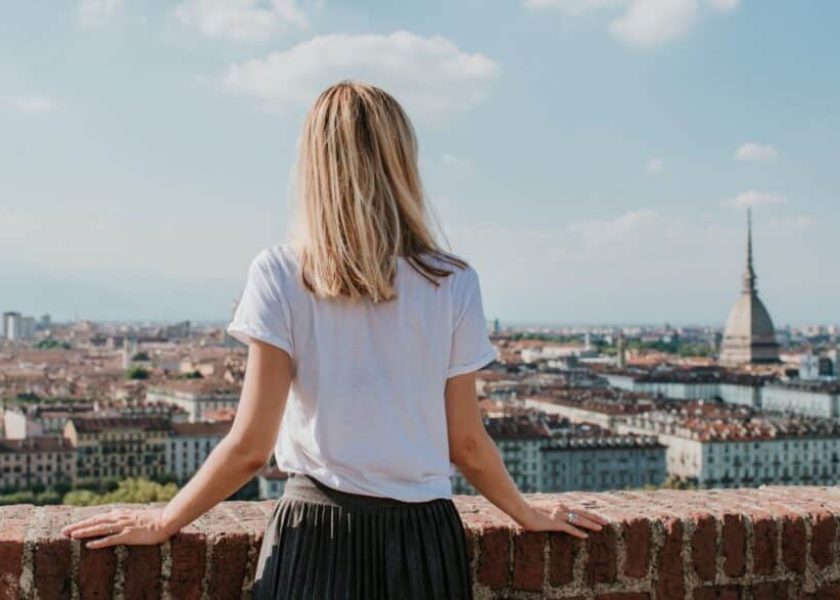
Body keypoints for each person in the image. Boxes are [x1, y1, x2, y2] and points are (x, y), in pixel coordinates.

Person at [60, 81, 607, 599]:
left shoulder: (280, 272)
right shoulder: (452, 280)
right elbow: (466, 443)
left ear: (315, 168)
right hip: (422, 540)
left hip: (313, 532)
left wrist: (164, 519)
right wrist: (525, 512)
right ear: (403, 162)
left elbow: (250, 447)